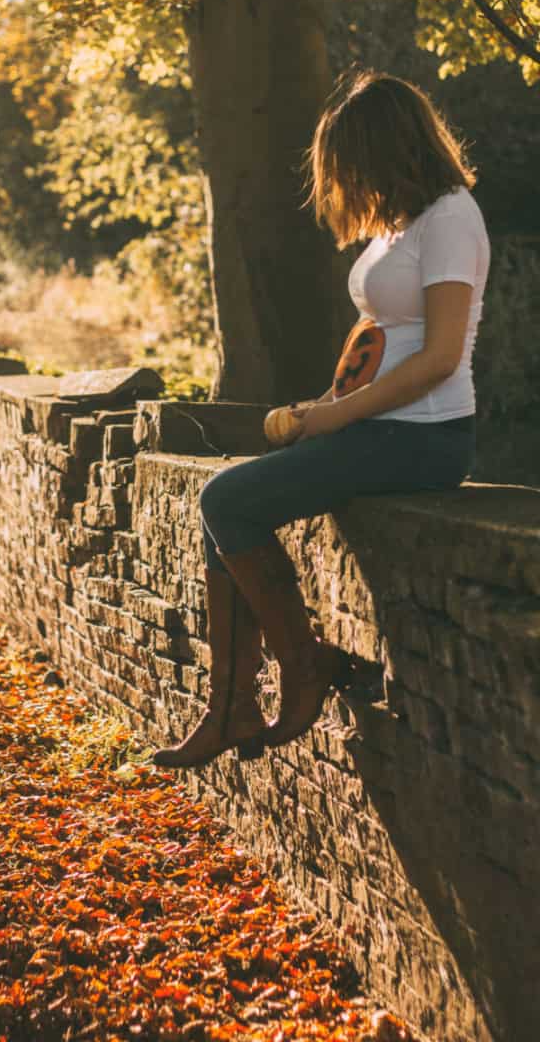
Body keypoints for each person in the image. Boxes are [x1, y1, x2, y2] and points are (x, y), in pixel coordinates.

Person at [153, 69, 490, 770]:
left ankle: (303, 667)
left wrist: (339, 418)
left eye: (353, 166)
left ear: (389, 149)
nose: (349, 184)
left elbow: (439, 358)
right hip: (376, 425)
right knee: (226, 512)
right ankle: (231, 707)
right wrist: (326, 404)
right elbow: (378, 340)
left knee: (225, 499)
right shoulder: (402, 226)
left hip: (423, 437)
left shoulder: (452, 218)